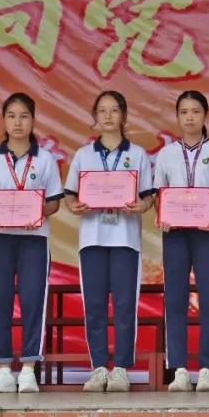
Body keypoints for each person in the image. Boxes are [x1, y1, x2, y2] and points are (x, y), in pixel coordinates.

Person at [64, 91, 155, 393]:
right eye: (101, 110)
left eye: (114, 110)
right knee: (94, 306)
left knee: (125, 305)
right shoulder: (84, 155)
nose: (107, 116)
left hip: (126, 239)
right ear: (95, 116)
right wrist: (74, 205)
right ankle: (99, 367)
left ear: (124, 116)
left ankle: (122, 369)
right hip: (92, 238)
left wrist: (142, 206)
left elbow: (148, 197)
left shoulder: (138, 154)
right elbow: (70, 194)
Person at [0, 93, 64, 394]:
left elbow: (54, 202)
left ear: (33, 120)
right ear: (3, 120)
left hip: (33, 240)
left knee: (33, 300)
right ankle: (2, 369)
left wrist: (36, 213)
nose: (17, 122)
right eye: (11, 116)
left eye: (24, 116)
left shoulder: (45, 159)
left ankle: (28, 369)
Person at [153, 91, 209, 392]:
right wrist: (162, 214)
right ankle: (179, 369)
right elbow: (159, 193)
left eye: (195, 111)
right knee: (175, 299)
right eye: (184, 112)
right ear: (177, 117)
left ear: (205, 116)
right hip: (175, 234)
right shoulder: (166, 154)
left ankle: (206, 369)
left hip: (208, 232)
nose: (190, 117)